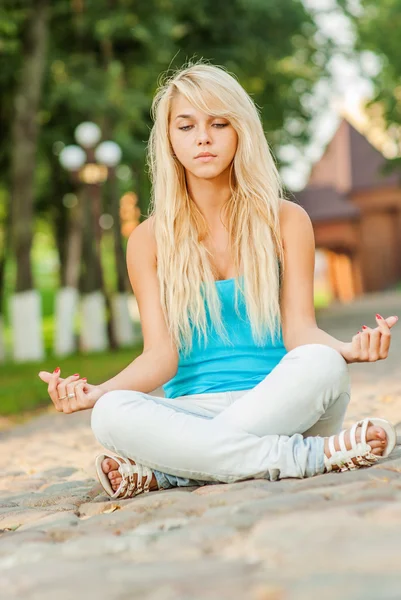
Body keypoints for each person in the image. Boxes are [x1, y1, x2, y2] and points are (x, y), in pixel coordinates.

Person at [39, 60, 399, 500]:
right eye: (186, 126)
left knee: (324, 366)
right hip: (189, 409)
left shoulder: (286, 220)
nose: (203, 138)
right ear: (169, 140)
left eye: (219, 123)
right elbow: (159, 358)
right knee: (110, 414)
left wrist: (345, 350)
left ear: (240, 132)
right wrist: (97, 392)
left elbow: (300, 331)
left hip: (282, 400)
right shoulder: (148, 240)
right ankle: (309, 457)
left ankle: (171, 471)